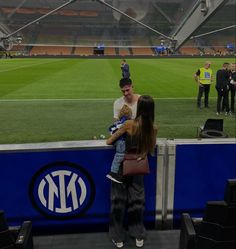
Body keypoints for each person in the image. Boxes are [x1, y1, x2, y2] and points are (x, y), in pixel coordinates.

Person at [106, 95, 158, 248]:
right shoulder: (154, 128)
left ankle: (118, 237)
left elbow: (109, 141)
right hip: (138, 168)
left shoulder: (128, 124)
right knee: (137, 203)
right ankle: (138, 235)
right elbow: (150, 149)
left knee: (118, 203)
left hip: (120, 169)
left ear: (139, 108)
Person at [106, 104, 132, 184]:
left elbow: (110, 129)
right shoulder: (127, 123)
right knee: (119, 157)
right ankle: (113, 173)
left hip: (117, 142)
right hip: (122, 142)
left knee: (119, 156)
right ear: (130, 115)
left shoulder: (118, 123)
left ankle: (115, 173)